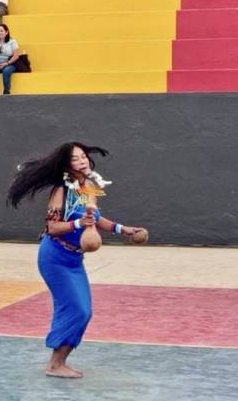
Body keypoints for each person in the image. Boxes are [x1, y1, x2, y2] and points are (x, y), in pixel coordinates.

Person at [8, 143, 148, 378]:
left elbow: (96, 218)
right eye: (76, 159)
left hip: (74, 259)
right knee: (76, 309)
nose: (82, 161)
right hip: (54, 257)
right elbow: (52, 227)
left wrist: (124, 229)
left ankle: (59, 361)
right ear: (66, 165)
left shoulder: (90, 185)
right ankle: (55, 364)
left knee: (84, 310)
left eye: (84, 156)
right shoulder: (61, 191)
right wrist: (77, 224)